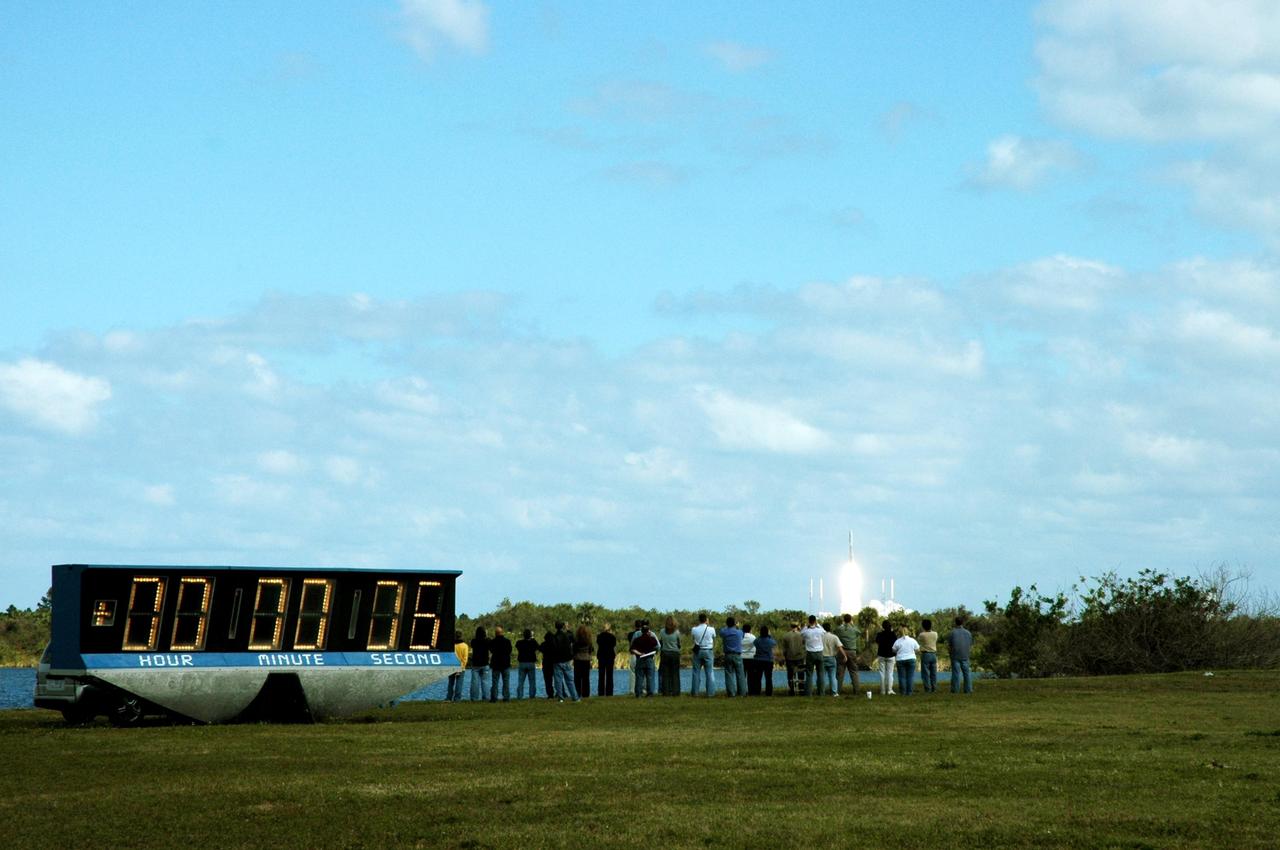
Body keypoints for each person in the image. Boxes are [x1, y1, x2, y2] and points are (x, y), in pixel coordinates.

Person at [689, 612, 716, 697]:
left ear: (699, 620)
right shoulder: (711, 629)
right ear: (706, 620)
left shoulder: (694, 629)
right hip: (708, 651)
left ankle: (695, 693)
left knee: (696, 672)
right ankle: (710, 693)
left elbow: (693, 639)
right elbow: (714, 638)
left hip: (698, 652)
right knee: (709, 672)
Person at [833, 613, 860, 694]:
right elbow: (859, 632)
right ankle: (856, 690)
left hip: (842, 652)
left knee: (840, 672)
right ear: (851, 620)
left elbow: (834, 631)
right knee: (854, 672)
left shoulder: (839, 629)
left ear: (843, 620)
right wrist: (852, 624)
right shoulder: (854, 629)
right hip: (852, 652)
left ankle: (837, 691)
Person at [630, 620, 659, 697]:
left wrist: (640, 653)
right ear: (648, 631)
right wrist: (654, 652)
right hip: (650, 659)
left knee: (639, 677)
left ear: (641, 631)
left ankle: (638, 693)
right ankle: (650, 693)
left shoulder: (637, 639)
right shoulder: (652, 639)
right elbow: (657, 647)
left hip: (640, 659)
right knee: (650, 677)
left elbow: (632, 649)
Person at [551, 621, 578, 702]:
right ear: (563, 627)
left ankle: (561, 698)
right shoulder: (566, 636)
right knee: (570, 680)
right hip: (566, 660)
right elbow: (571, 645)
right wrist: (571, 656)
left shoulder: (554, 637)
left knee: (558, 681)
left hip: (557, 661)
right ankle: (575, 697)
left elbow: (553, 649)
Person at [719, 616, 745, 697]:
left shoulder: (724, 632)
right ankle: (742, 693)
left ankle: (731, 693)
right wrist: (737, 626)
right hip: (737, 655)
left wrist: (727, 626)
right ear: (734, 623)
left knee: (729, 674)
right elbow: (743, 634)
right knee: (740, 674)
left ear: (727, 624)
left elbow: (721, 632)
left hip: (728, 655)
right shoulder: (739, 632)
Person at [947, 615, 974, 694]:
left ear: (955, 623)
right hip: (965, 655)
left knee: (956, 673)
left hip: (955, 655)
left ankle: (955, 690)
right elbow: (970, 644)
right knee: (967, 673)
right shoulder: (968, 633)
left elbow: (949, 645)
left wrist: (950, 654)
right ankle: (968, 689)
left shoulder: (952, 633)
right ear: (963, 622)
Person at [801, 615, 826, 697]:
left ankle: (808, 693)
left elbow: (801, 632)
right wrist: (818, 624)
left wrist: (806, 625)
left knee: (809, 674)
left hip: (810, 653)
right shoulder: (819, 630)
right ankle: (821, 692)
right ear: (815, 621)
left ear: (809, 621)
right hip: (819, 652)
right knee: (821, 673)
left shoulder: (806, 631)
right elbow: (824, 631)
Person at [820, 621, 847, 697]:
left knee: (822, 676)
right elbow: (840, 647)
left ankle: (822, 692)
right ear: (830, 628)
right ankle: (834, 692)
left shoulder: (820, 637)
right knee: (832, 676)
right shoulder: (834, 637)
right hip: (831, 658)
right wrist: (845, 656)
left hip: (822, 657)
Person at [892, 627, 920, 696]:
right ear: (908, 632)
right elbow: (918, 649)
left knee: (902, 677)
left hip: (900, 660)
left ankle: (903, 692)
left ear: (900, 633)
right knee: (910, 676)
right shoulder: (912, 640)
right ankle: (909, 692)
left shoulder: (898, 641)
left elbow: (893, 650)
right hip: (911, 659)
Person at [780, 621, 805, 696]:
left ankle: (792, 690)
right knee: (801, 674)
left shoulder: (785, 636)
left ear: (791, 626)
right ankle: (801, 690)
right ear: (798, 626)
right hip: (800, 657)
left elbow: (784, 649)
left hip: (789, 658)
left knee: (790, 674)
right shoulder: (802, 635)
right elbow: (804, 645)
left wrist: (785, 657)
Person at [658, 616, 681, 696]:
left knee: (665, 674)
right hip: (675, 654)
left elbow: (660, 642)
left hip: (665, 653)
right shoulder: (677, 632)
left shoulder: (662, 631)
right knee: (675, 674)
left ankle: (666, 692)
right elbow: (679, 644)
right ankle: (676, 691)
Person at [750, 625, 776, 696]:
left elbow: (754, 642)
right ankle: (769, 692)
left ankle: (757, 692)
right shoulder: (770, 641)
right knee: (768, 678)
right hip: (768, 661)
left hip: (758, 660)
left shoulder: (757, 640)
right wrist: (769, 636)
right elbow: (774, 642)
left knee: (758, 678)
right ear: (767, 632)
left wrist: (760, 636)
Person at [489, 626, 513, 702]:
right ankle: (506, 698)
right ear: (502, 632)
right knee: (506, 682)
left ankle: (494, 698)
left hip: (496, 664)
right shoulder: (507, 641)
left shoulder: (492, 642)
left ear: (495, 633)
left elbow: (491, 650)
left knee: (495, 682)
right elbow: (509, 651)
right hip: (505, 664)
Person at [468, 626, 491, 702]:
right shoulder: (487, 641)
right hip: (485, 663)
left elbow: (472, 645)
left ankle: (474, 698)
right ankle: (486, 698)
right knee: (485, 682)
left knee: (475, 682)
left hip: (476, 664)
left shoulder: (474, 641)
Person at [874, 620, 898, 695]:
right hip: (891, 655)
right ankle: (889, 690)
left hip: (881, 655)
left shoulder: (879, 634)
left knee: (882, 673)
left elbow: (877, 641)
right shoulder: (893, 634)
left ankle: (882, 691)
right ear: (890, 626)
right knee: (890, 673)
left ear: (883, 627)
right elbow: (895, 643)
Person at [515, 628, 539, 699]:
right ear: (530, 635)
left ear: (524, 635)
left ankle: (519, 696)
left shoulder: (519, 642)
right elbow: (538, 647)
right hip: (531, 663)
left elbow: (517, 645)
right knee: (532, 681)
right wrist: (532, 638)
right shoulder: (533, 642)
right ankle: (532, 696)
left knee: (521, 681)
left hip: (522, 663)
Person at [917, 619, 939, 694]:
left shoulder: (922, 635)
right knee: (933, 673)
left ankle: (927, 689)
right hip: (933, 654)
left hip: (925, 654)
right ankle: (934, 688)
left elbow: (919, 641)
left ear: (923, 626)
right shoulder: (935, 634)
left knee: (925, 673)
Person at [573, 625, 594, 699]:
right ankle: (586, 694)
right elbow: (591, 649)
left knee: (577, 678)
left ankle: (577, 693)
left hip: (578, 660)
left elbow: (574, 650)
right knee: (586, 678)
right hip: (586, 660)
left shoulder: (576, 640)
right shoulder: (589, 641)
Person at [447, 629, 469, 702]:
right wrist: (461, 667)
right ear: (461, 636)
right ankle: (457, 699)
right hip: (461, 668)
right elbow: (465, 658)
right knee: (459, 684)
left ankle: (449, 697)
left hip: (451, 667)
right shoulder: (465, 646)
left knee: (450, 683)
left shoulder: (451, 645)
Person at [596, 623, 617, 697]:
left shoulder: (599, 636)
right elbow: (614, 645)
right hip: (610, 657)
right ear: (610, 628)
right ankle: (609, 692)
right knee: (609, 675)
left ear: (603, 628)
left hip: (601, 656)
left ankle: (601, 692)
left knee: (601, 675)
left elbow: (598, 643)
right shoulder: (612, 637)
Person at [539, 631, 556, 700]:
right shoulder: (554, 644)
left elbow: (539, 648)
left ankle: (550, 694)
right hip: (554, 663)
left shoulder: (543, 644)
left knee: (548, 680)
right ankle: (561, 692)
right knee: (557, 679)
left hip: (546, 663)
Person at [628, 619, 644, 697]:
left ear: (635, 626)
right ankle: (643, 690)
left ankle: (632, 690)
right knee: (643, 673)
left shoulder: (630, 634)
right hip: (642, 655)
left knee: (633, 673)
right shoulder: (644, 633)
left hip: (633, 655)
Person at [741, 623, 757, 695]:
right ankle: (751, 691)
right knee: (751, 676)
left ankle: (742, 691)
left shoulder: (740, 637)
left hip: (742, 657)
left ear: (743, 630)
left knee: (742, 676)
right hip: (751, 658)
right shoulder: (753, 637)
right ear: (750, 630)